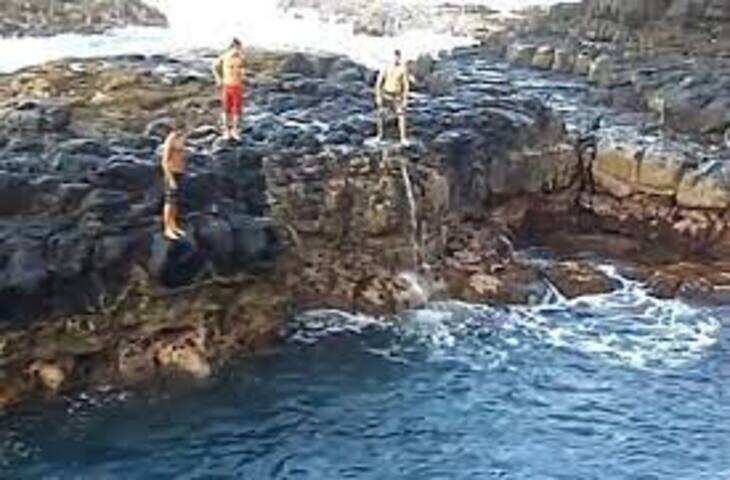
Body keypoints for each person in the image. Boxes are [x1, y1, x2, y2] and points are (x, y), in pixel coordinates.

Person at [212, 38, 246, 140]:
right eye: (237, 47)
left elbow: (243, 70)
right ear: (232, 47)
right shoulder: (225, 57)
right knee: (226, 109)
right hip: (227, 85)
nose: (238, 50)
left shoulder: (241, 57)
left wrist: (242, 76)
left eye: (239, 48)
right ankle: (226, 131)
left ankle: (234, 130)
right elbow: (214, 66)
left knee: (236, 110)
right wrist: (218, 79)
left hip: (237, 86)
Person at [374, 49, 410, 145]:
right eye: (395, 57)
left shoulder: (403, 69)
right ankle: (380, 135)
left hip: (397, 96)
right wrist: (378, 96)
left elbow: (406, 85)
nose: (396, 59)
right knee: (380, 115)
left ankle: (403, 138)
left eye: (398, 57)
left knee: (401, 116)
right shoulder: (386, 67)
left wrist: (405, 99)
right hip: (386, 93)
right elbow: (378, 83)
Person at [161, 120, 187, 240]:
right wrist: (170, 178)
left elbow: (182, 155)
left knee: (175, 201)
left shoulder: (180, 139)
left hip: (179, 172)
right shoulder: (170, 139)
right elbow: (164, 161)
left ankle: (174, 225)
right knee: (169, 201)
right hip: (171, 172)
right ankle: (167, 228)